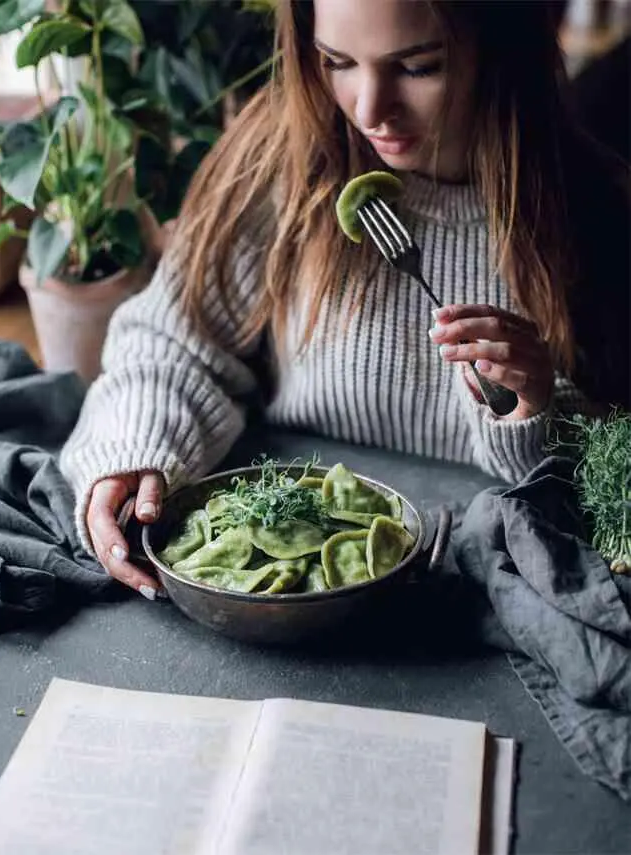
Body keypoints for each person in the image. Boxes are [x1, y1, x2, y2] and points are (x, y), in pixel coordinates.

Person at [60, 0, 630, 598]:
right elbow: (176, 344)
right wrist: (137, 451)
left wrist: (528, 410)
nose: (368, 109)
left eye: (418, 68)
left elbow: (600, 475)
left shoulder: (589, 209)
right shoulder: (278, 162)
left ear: (502, 51)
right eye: (337, 61)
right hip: (277, 571)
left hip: (471, 586)